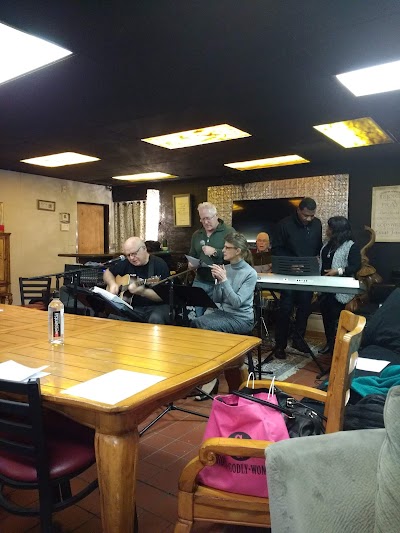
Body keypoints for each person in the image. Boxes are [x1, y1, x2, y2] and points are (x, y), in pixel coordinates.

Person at [191, 232, 257, 400]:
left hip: (241, 318)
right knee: (194, 323)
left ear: (238, 251)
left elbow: (237, 303)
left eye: (227, 248)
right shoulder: (226, 268)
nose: (223, 250)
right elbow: (217, 299)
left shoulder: (250, 273)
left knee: (202, 325)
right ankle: (207, 376)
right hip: (224, 313)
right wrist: (218, 282)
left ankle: (211, 378)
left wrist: (224, 280)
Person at [272, 197, 323, 359]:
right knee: (285, 309)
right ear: (298, 210)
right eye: (305, 215)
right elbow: (277, 249)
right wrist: (291, 264)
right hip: (288, 273)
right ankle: (280, 345)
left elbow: (318, 246)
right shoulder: (284, 224)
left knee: (305, 308)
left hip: (308, 273)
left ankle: (298, 340)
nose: (308, 219)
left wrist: (317, 259)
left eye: (312, 216)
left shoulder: (317, 224)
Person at [103, 236, 171, 324]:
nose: (131, 258)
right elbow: (107, 272)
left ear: (144, 249)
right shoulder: (126, 263)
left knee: (156, 318)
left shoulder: (159, 264)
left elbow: (163, 297)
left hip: (155, 306)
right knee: (113, 318)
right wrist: (112, 284)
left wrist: (143, 291)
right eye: (128, 255)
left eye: (134, 253)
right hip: (132, 307)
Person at [318, 216, 361, 355]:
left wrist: (338, 271)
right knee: (326, 317)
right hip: (324, 287)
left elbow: (356, 266)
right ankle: (330, 343)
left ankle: (340, 347)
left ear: (337, 230)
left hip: (340, 290)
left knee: (336, 318)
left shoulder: (351, 245)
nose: (327, 230)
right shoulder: (327, 244)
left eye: (330, 227)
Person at [188, 202, 234, 315]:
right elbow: (192, 255)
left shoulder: (229, 232)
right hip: (200, 280)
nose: (205, 222)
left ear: (216, 216)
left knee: (214, 317)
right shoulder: (197, 234)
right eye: (202, 219)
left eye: (208, 218)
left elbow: (236, 255)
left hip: (220, 283)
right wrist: (191, 264)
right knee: (194, 315)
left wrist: (215, 252)